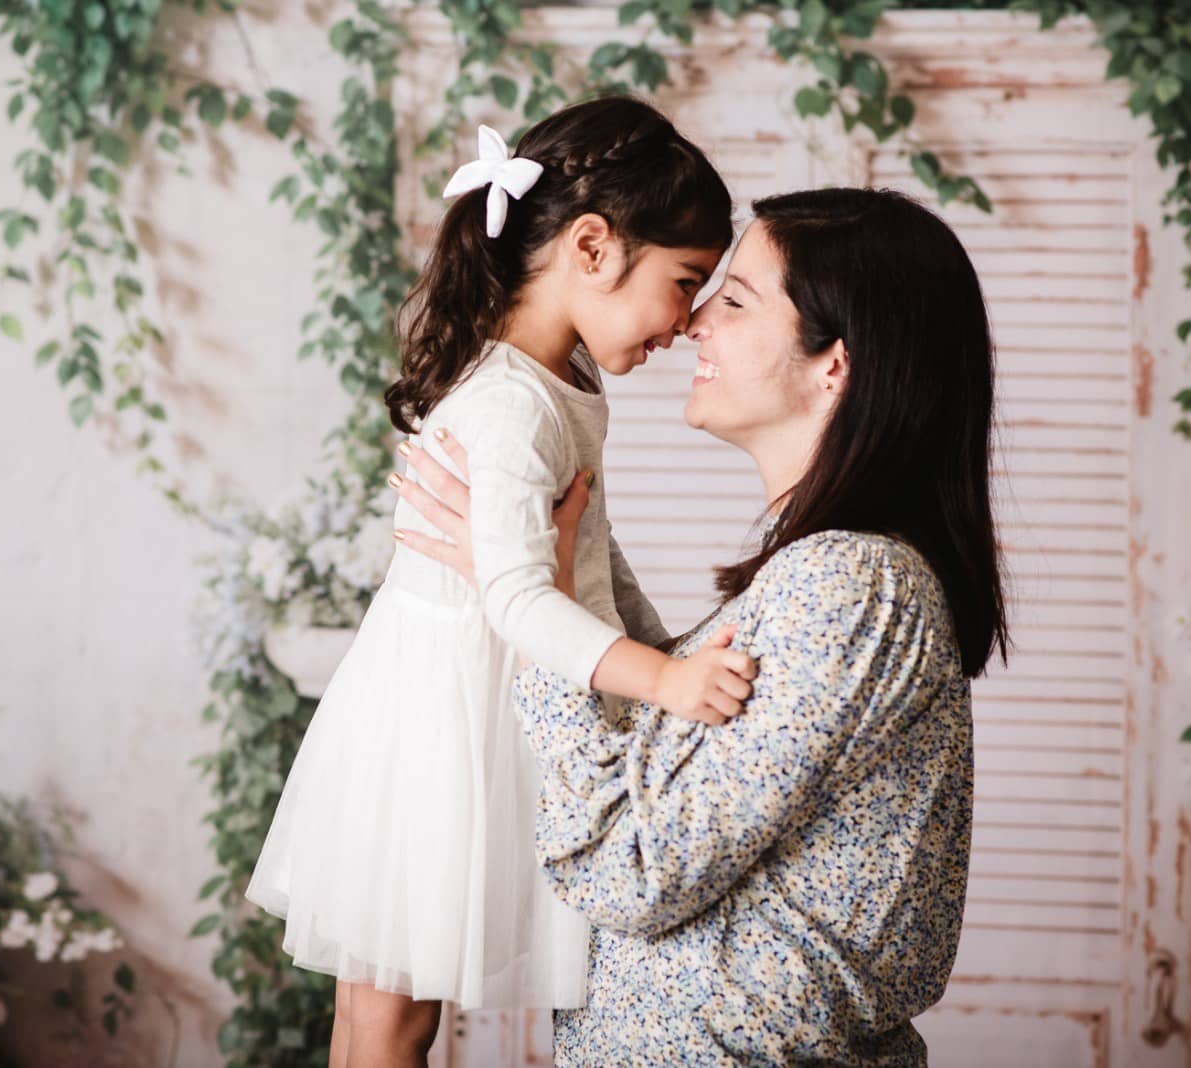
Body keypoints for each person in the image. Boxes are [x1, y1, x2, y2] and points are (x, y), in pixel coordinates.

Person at [393, 186, 1009, 1064]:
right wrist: (525, 553)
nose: (692, 324)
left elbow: (632, 865)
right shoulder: (818, 581)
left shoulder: (855, 587)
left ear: (836, 361)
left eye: (735, 298)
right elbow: (651, 721)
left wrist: (535, 613)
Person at [245, 96, 758, 1068]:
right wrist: (663, 682)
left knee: (386, 1009)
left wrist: (665, 646)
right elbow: (520, 598)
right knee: (390, 1016)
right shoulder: (514, 407)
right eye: (685, 280)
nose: (688, 321)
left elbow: (589, 556)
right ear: (593, 247)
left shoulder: (560, 383)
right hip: (440, 720)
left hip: (459, 704)